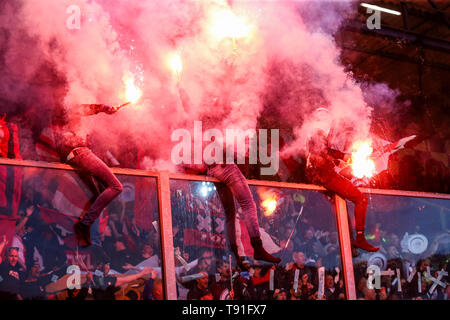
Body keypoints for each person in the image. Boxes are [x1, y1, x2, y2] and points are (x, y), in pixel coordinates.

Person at [51, 103, 123, 248]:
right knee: (116, 186)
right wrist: (106, 109)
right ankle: (84, 225)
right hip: (81, 153)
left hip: (74, 156)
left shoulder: (61, 115)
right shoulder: (67, 106)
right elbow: (84, 108)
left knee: (99, 195)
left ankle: (87, 230)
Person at [306, 129, 378, 252]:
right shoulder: (318, 130)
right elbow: (322, 152)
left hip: (324, 175)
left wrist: (341, 160)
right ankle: (359, 239)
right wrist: (341, 157)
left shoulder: (318, 134)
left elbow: (326, 154)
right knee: (361, 199)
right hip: (326, 176)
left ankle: (352, 243)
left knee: (346, 208)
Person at [208, 164, 281, 268]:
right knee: (248, 205)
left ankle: (235, 256)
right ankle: (258, 249)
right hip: (225, 165)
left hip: (213, 168)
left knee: (230, 213)